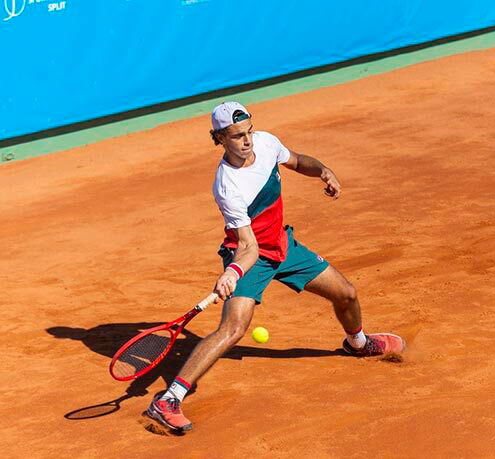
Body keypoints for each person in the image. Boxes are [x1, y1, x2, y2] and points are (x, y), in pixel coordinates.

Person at [145, 101, 405, 432]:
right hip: (248, 256)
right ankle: (168, 399)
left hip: (283, 246)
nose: (247, 141)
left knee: (347, 294)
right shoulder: (228, 185)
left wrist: (324, 170)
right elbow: (248, 246)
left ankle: (359, 343)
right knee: (234, 328)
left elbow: (297, 161)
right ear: (220, 138)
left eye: (249, 132)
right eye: (238, 136)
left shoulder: (267, 142)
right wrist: (233, 271)